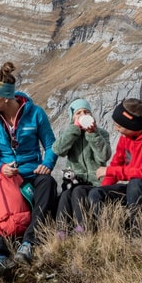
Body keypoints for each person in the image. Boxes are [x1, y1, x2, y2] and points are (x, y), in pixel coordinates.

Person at [0, 61, 58, 281]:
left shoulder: (35, 114)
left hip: (30, 173)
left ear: (6, 97)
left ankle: (29, 243)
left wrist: (46, 165)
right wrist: (1, 168)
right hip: (5, 176)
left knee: (48, 185)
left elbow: (51, 145)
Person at [87, 98, 142, 234]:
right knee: (96, 193)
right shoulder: (125, 138)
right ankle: (110, 232)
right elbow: (117, 162)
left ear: (133, 126)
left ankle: (136, 231)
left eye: (120, 126)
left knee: (136, 184)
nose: (116, 129)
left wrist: (110, 171)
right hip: (135, 191)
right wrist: (106, 188)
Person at [51, 98, 111, 238]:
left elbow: (104, 156)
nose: (83, 115)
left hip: (95, 179)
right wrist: (74, 130)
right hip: (73, 177)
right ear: (72, 117)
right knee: (65, 194)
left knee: (78, 191)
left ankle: (83, 226)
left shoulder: (101, 133)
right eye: (78, 113)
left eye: (86, 112)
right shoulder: (69, 133)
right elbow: (58, 150)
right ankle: (62, 230)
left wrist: (93, 134)